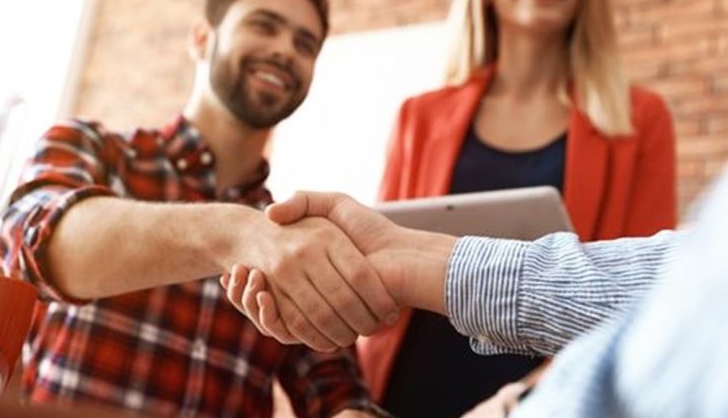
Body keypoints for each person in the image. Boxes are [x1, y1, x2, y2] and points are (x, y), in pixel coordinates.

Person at [0, 0, 399, 416]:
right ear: (202, 38)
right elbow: (36, 248)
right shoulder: (90, 148)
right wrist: (235, 233)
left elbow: (339, 394)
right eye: (264, 25)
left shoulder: (289, 238)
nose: (285, 50)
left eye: (304, 44)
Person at [358, 0, 677, 413]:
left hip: (544, 398)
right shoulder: (420, 116)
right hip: (408, 387)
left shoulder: (639, 119)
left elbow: (649, 301)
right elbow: (383, 253)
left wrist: (520, 399)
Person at [224, 179, 723, 417]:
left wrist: (513, 403)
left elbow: (669, 316)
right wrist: (404, 257)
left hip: (541, 382)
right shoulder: (424, 112)